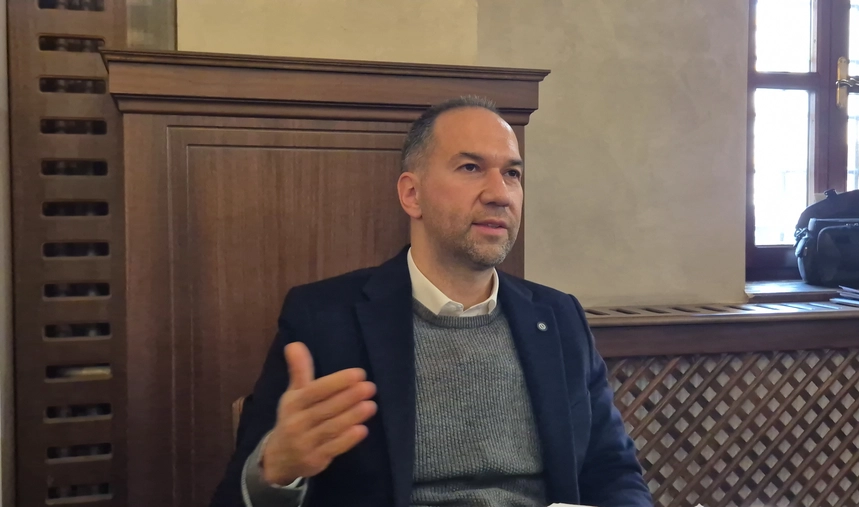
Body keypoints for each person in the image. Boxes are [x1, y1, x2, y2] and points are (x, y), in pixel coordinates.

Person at [210, 96, 653, 507]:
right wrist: (276, 470)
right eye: (471, 168)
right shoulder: (324, 318)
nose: (500, 194)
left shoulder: (558, 316)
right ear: (412, 194)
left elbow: (613, 472)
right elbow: (235, 496)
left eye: (512, 174)